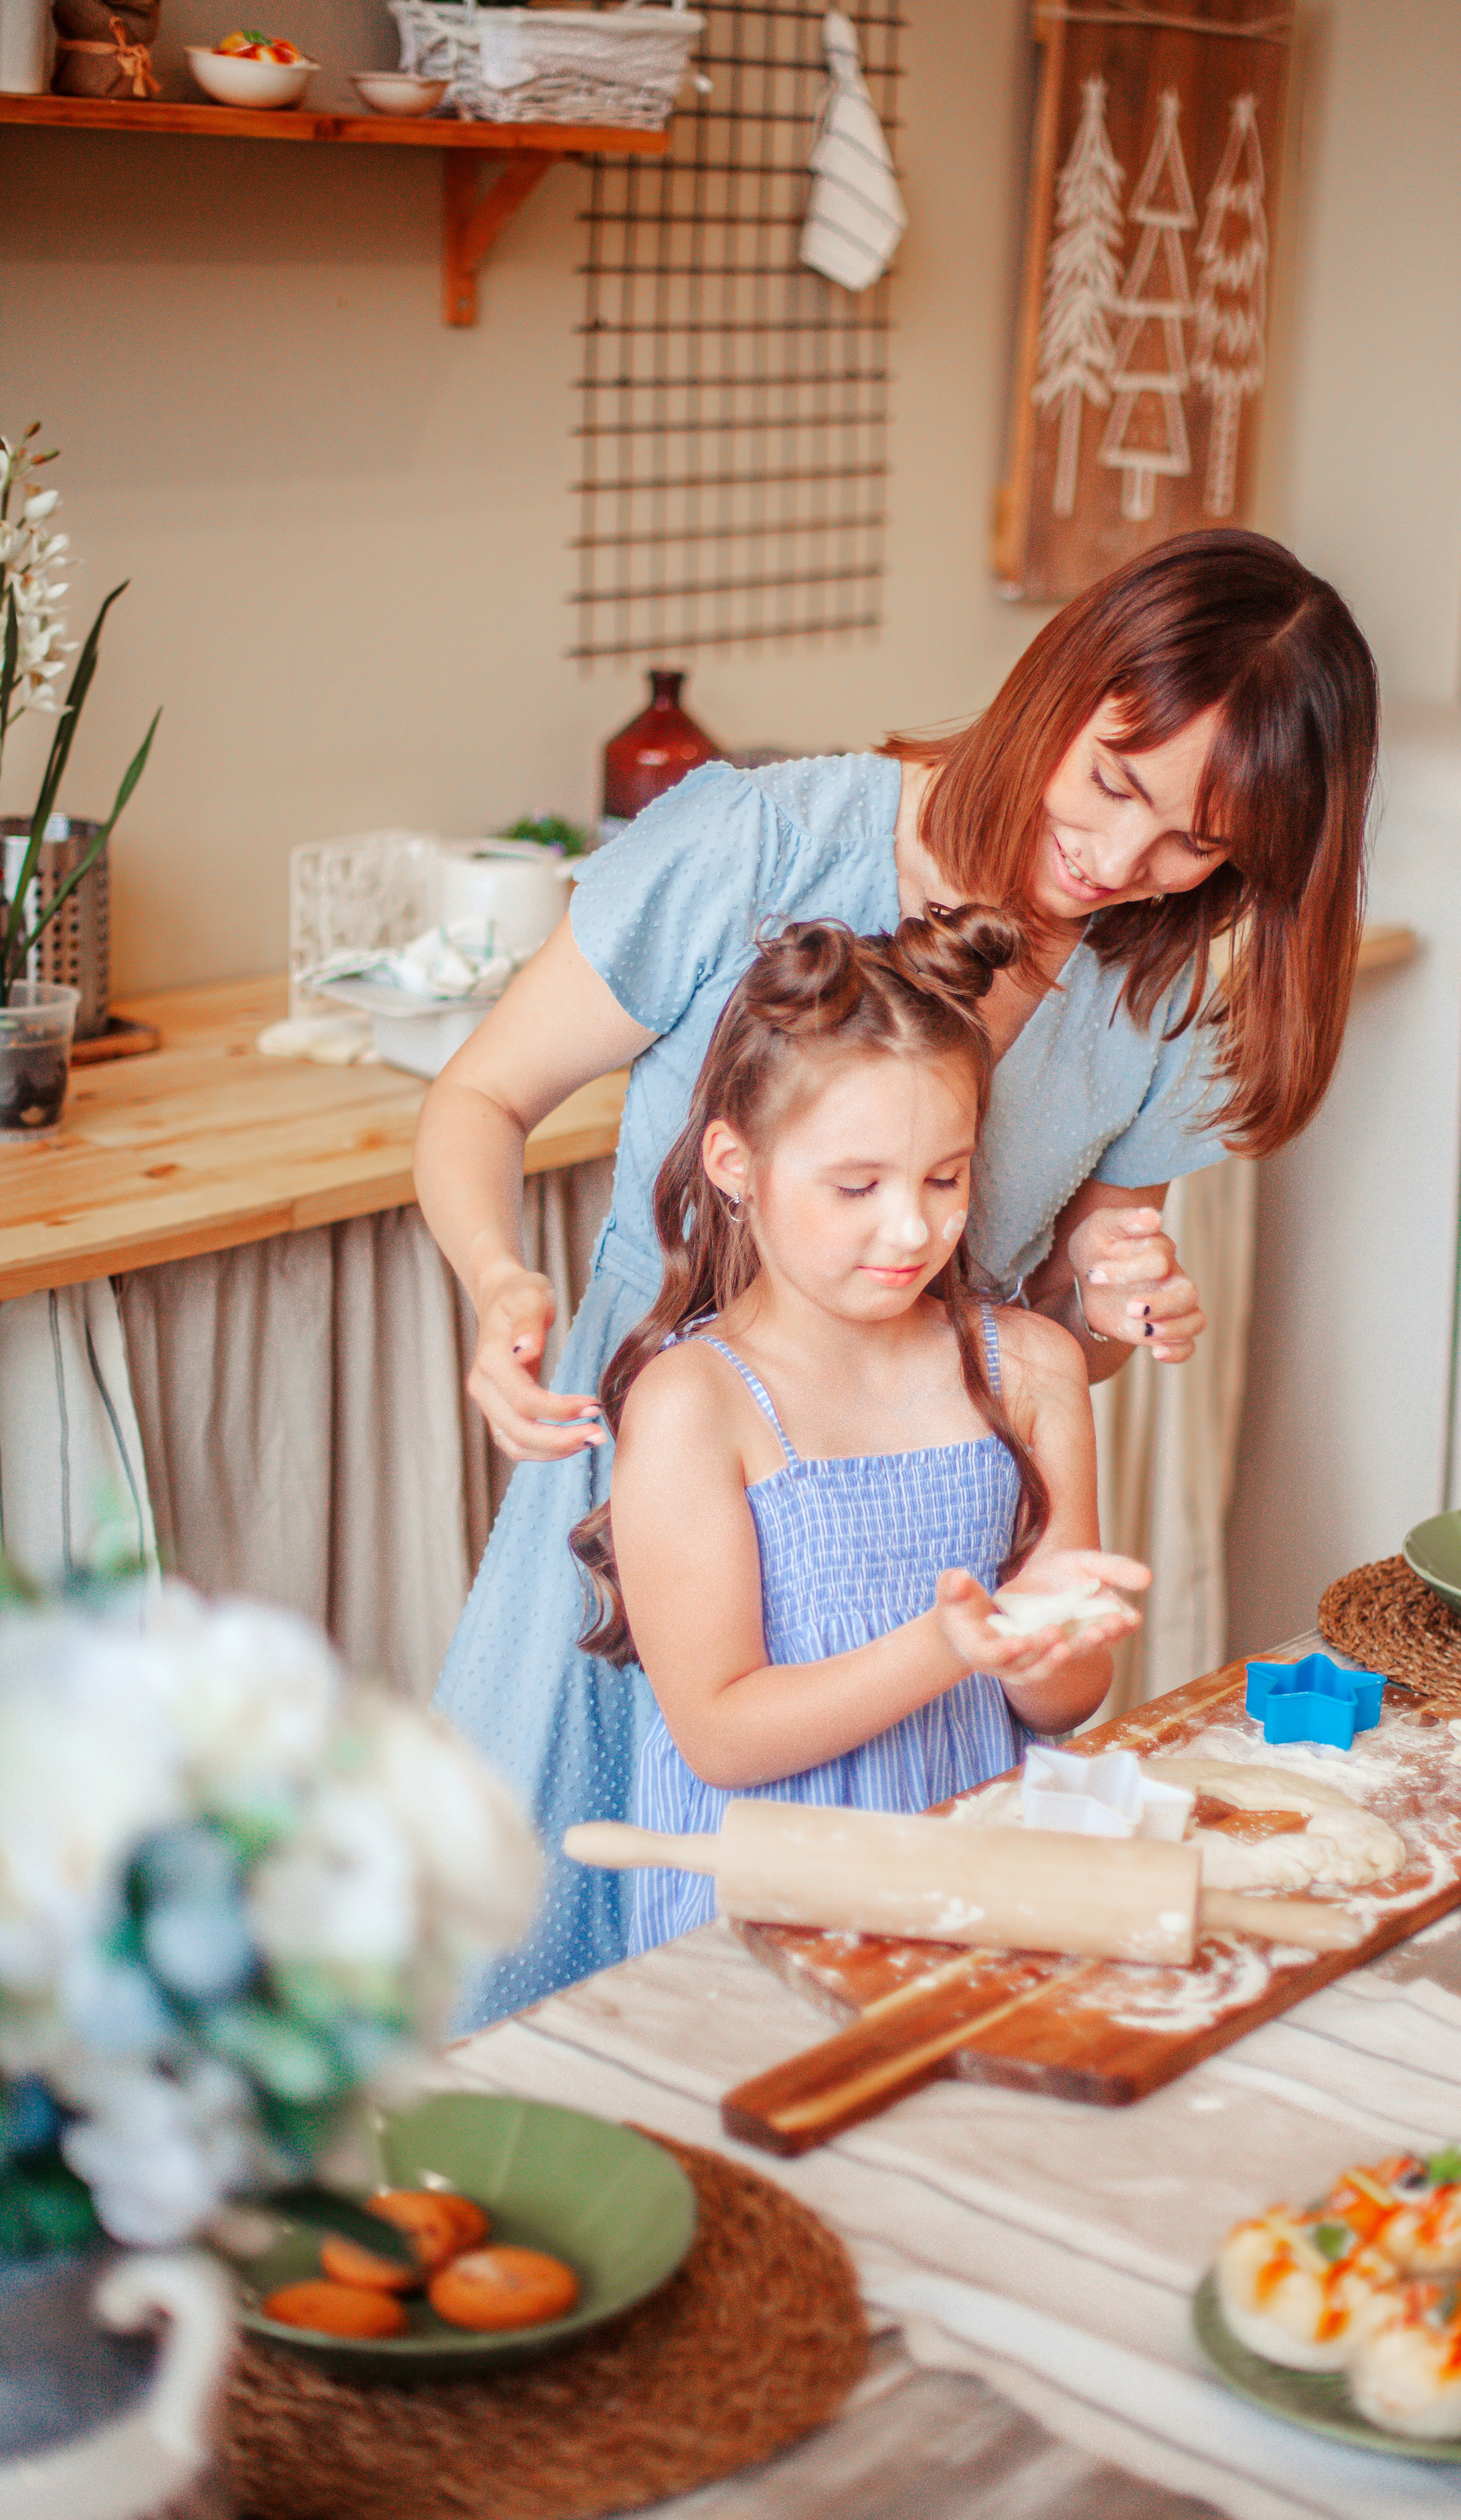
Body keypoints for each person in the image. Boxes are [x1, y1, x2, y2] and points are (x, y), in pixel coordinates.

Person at [414, 525, 1379, 2022]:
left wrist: (1110, 1298)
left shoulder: (1161, 984)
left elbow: (1038, 1340)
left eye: (1196, 845)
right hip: (633, 1516)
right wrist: (497, 1287)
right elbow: (479, 1097)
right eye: (1115, 781)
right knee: (535, 1997)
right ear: (1064, 681)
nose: (1120, 864)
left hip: (909, 1586)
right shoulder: (757, 842)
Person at [570, 908, 1147, 1949]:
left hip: (975, 1887)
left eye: (945, 1177)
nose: (913, 1227)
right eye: (856, 1185)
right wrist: (948, 1644)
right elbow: (720, 1736)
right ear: (735, 1163)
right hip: (764, 1918)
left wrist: (1037, 1645)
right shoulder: (696, 1402)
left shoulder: (1031, 1369)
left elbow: (1067, 1704)